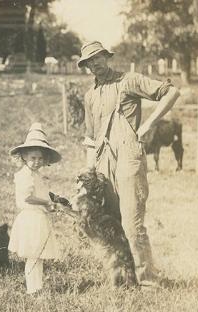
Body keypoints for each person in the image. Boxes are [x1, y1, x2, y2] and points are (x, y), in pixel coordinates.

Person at [77, 41, 180, 285]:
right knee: (110, 222)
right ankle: (123, 278)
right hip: (102, 163)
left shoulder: (129, 80)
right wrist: (88, 176)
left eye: (98, 57)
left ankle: (147, 279)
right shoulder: (90, 96)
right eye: (89, 61)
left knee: (132, 224)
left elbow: (172, 93)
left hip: (128, 156)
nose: (95, 63)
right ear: (86, 66)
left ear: (107, 57)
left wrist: (149, 124)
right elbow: (91, 139)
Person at [8, 122, 62, 294]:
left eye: (40, 158)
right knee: (33, 255)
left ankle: (37, 287)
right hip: (31, 219)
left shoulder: (36, 175)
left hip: (39, 217)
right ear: (24, 156)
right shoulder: (23, 175)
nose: (36, 162)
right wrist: (46, 203)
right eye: (33, 158)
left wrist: (52, 200)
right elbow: (27, 197)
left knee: (38, 255)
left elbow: (41, 193)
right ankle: (32, 289)